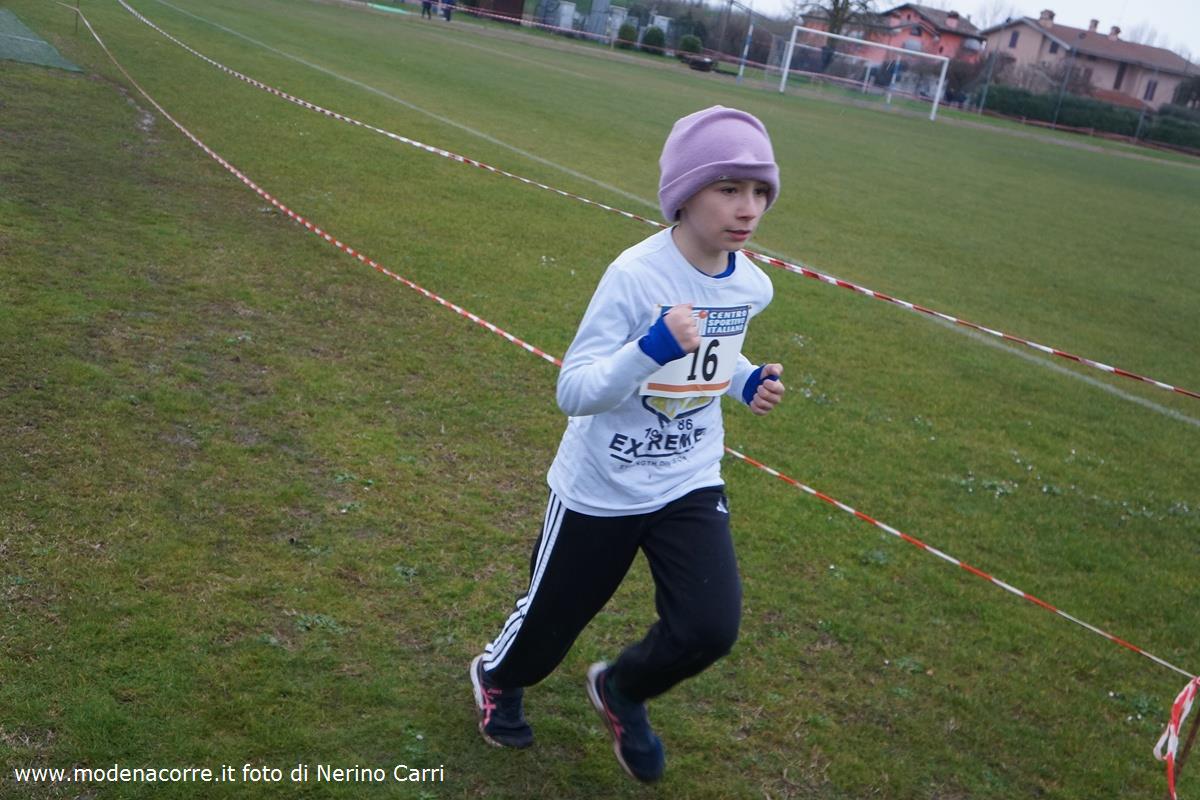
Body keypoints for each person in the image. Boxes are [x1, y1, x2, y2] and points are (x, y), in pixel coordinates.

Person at [470, 105, 786, 784]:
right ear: (686, 193)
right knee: (547, 632)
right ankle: (498, 675)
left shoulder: (752, 284)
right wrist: (651, 346)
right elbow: (575, 389)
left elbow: (713, 355)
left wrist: (746, 381)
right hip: (602, 485)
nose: (749, 208)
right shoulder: (635, 275)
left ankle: (622, 689)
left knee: (709, 627)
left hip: (688, 477)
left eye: (761, 191)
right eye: (729, 188)